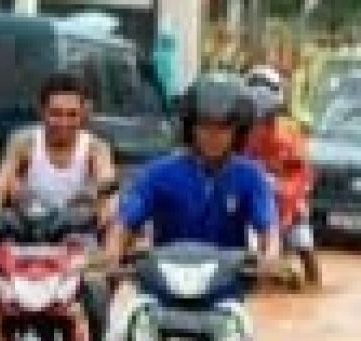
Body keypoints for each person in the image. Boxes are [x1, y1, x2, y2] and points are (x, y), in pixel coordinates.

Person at [0, 72, 117, 341]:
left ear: (83, 114)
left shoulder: (95, 149)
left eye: (72, 115)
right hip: (25, 236)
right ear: (41, 112)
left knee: (97, 288)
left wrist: (103, 208)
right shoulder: (24, 144)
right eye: (56, 113)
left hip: (74, 238)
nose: (63, 122)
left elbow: (108, 186)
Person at [103, 73, 280, 266]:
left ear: (238, 131)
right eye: (204, 126)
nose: (213, 136)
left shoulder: (251, 176)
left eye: (223, 128)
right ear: (190, 128)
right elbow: (125, 221)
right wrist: (112, 254)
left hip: (226, 287)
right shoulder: (157, 173)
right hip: (164, 285)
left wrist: (271, 257)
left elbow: (268, 227)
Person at [244, 65, 320, 286]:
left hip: (287, 200)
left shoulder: (289, 133)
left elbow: (303, 172)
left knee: (304, 244)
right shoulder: (236, 133)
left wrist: (283, 188)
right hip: (249, 202)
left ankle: (311, 280)